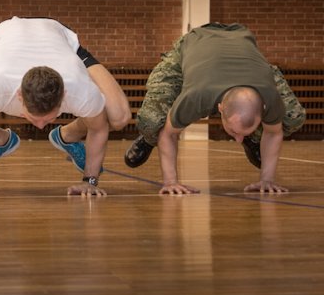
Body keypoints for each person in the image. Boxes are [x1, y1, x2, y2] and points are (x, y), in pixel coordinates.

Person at [0, 16, 131, 198]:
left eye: (49, 118)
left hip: (59, 36)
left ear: (64, 97)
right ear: (19, 96)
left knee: (119, 117)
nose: (40, 126)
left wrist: (91, 181)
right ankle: (0, 140)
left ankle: (68, 136)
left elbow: (98, 127)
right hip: (5, 35)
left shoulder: (81, 89)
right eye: (34, 117)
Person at [124, 22, 306, 194]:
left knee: (293, 117)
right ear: (219, 108)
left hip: (241, 43)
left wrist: (267, 179)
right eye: (235, 132)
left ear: (264, 107)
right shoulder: (196, 96)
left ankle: (252, 138)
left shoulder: (269, 96)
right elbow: (170, 134)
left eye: (241, 134)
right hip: (193, 45)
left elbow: (274, 133)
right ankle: (148, 139)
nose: (236, 140)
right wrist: (171, 182)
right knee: (152, 120)